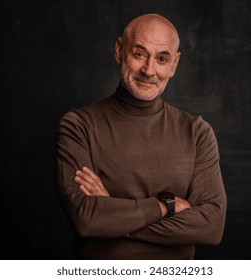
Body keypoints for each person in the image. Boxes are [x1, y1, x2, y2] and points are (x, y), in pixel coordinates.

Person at [56, 13, 227, 260]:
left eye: (162, 58)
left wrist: (115, 215)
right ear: (119, 50)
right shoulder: (78, 126)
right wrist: (164, 206)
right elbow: (86, 219)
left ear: (174, 65)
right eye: (139, 54)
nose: (149, 70)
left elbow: (211, 228)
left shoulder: (197, 132)